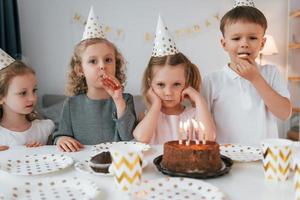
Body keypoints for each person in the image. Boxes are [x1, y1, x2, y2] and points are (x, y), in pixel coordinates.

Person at [201, 0, 292, 146]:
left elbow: (284, 114)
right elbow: (202, 125)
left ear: (262, 43)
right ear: (224, 44)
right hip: (225, 157)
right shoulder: (213, 80)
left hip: (262, 157)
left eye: (253, 38)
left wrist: (256, 79)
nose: (244, 43)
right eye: (236, 38)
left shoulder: (271, 73)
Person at [53, 7, 136, 152]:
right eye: (93, 61)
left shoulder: (125, 100)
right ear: (80, 70)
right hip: (82, 166)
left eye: (108, 60)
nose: (102, 66)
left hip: (115, 165)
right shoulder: (72, 104)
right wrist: (61, 139)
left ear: (116, 65)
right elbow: (60, 135)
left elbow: (129, 138)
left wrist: (118, 100)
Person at [133, 16, 216, 144]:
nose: (168, 92)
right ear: (150, 83)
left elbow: (209, 138)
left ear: (186, 84)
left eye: (176, 84)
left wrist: (199, 100)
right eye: (161, 84)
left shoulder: (193, 116)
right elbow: (141, 138)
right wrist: (155, 105)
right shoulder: (149, 117)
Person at [0, 48, 54, 151]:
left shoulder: (44, 129)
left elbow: (55, 159)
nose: (32, 98)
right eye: (23, 93)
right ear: (1, 98)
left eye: (34, 90)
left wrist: (41, 151)